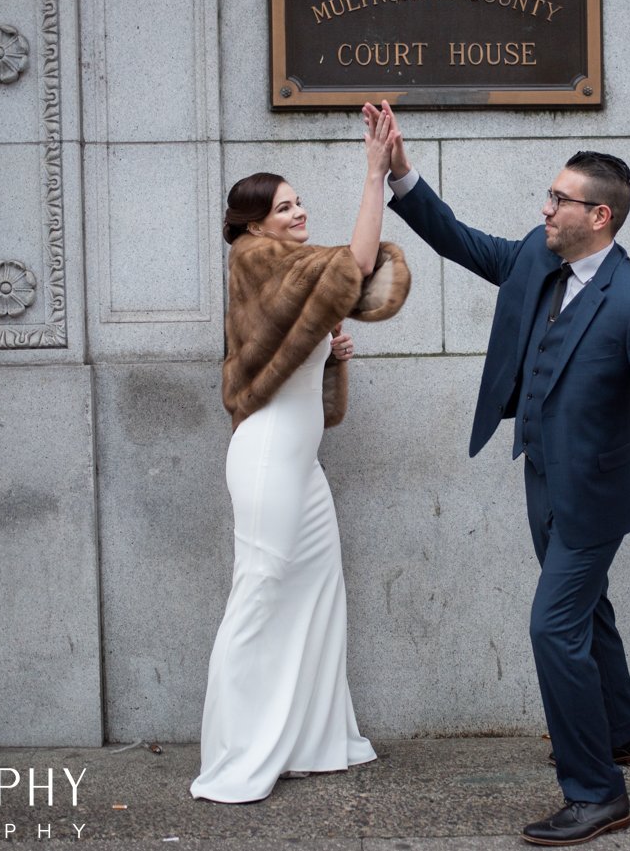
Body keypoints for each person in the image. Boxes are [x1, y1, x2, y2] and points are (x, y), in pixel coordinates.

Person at [368, 102, 630, 846]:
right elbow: (462, 242)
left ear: (599, 214)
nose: (544, 207)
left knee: (553, 627)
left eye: (558, 199)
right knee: (587, 613)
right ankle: (625, 732)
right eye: (547, 196)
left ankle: (598, 792)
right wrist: (401, 174)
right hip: (543, 476)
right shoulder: (536, 254)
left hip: (597, 493)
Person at [191, 108, 410, 804]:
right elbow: (355, 265)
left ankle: (313, 741)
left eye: (298, 201)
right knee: (259, 589)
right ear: (254, 223)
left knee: (317, 592)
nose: (297, 212)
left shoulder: (285, 268)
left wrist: (330, 356)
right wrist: (375, 173)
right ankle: (232, 757)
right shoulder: (256, 257)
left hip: (299, 460)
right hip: (265, 457)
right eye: (283, 207)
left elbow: (315, 322)